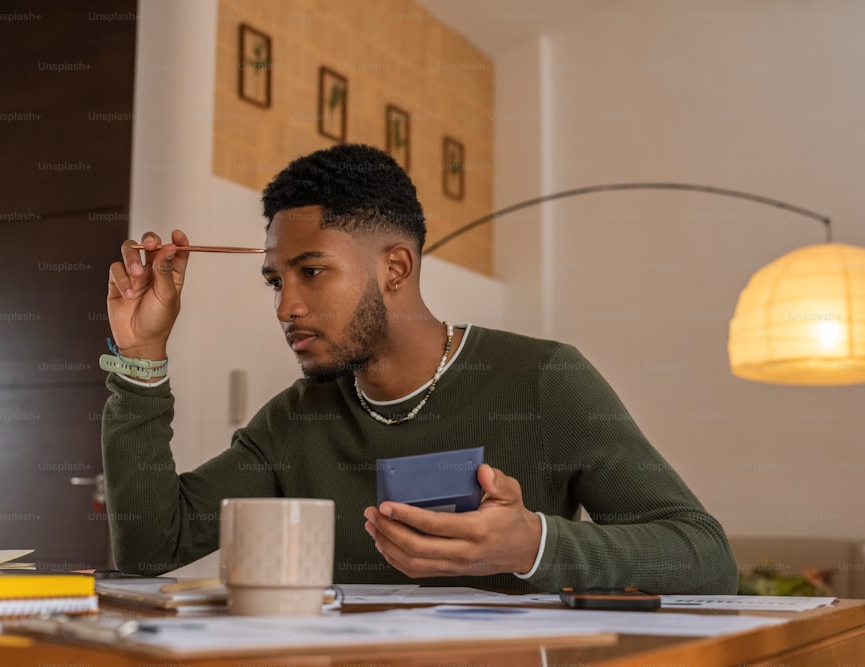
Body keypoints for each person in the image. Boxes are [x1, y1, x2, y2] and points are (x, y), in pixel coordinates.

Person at [102, 143, 737, 593]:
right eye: (275, 280)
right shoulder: (297, 419)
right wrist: (141, 358)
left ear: (396, 269)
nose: (286, 307)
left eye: (312, 272)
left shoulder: (545, 380)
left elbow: (705, 556)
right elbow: (149, 548)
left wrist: (533, 545)